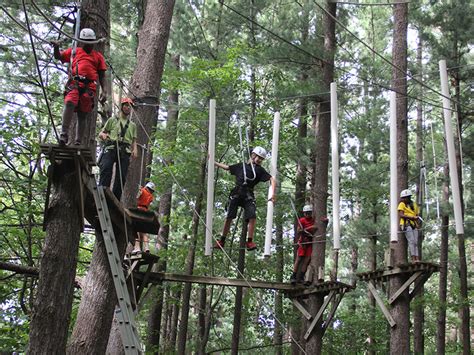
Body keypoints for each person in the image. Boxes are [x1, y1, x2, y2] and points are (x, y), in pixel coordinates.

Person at [214, 146, 276, 251]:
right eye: (258, 157)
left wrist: (273, 194)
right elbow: (227, 167)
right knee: (229, 217)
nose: (259, 160)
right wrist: (214, 163)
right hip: (237, 192)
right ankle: (222, 240)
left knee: (252, 217)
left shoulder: (259, 170)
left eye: (261, 159)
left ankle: (250, 241)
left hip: (248, 194)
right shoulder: (241, 166)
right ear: (252, 155)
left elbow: (272, 179)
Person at [52, 28, 107, 145]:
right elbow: (59, 57)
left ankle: (78, 141)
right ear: (82, 42)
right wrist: (56, 47)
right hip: (75, 83)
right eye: (87, 42)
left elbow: (102, 75)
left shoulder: (98, 57)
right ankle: (64, 134)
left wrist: (104, 91)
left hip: (89, 87)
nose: (90, 45)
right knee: (70, 102)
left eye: (91, 42)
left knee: (83, 113)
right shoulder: (74, 52)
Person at [98, 97, 138, 200]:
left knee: (121, 176)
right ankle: (102, 192)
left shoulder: (132, 125)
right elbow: (102, 132)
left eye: (129, 106)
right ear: (121, 107)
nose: (128, 108)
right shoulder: (112, 120)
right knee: (106, 168)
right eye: (126, 105)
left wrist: (135, 149)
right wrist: (103, 136)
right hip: (111, 147)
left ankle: (115, 198)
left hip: (124, 151)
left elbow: (134, 140)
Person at [290, 205, 329, 285]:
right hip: (303, 241)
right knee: (299, 259)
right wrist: (309, 228)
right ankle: (293, 276)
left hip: (309, 242)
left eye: (309, 213)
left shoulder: (314, 220)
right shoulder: (302, 220)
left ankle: (301, 277)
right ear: (304, 213)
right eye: (306, 213)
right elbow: (299, 231)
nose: (307, 215)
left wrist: (326, 221)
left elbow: (321, 223)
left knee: (307, 260)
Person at [398, 189, 422, 263]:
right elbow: (401, 214)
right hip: (406, 223)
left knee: (415, 242)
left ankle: (417, 258)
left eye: (407, 197)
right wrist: (412, 217)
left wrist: (417, 222)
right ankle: (413, 258)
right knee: (411, 241)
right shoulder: (402, 204)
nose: (405, 199)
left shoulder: (414, 204)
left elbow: (417, 214)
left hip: (414, 224)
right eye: (404, 198)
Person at [132, 181, 155, 254]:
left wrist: (139, 189)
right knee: (144, 232)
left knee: (136, 230)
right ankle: (146, 248)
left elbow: (137, 197)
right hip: (145, 212)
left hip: (139, 210)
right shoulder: (151, 196)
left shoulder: (142, 190)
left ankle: (137, 248)